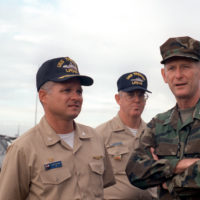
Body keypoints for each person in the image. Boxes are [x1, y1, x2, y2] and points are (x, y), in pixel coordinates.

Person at [0, 56, 115, 200]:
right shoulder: (23, 148)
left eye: (79, 92)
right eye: (67, 90)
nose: (76, 97)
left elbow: (103, 186)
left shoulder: (95, 138)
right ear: (43, 96)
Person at [126, 36, 200, 200]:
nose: (178, 75)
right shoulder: (158, 124)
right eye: (172, 68)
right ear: (164, 75)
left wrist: (170, 183)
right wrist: (180, 165)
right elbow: (135, 171)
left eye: (185, 67)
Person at [96, 71, 158, 200]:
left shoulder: (153, 133)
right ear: (118, 99)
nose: (137, 100)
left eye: (141, 95)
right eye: (131, 95)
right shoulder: (100, 134)